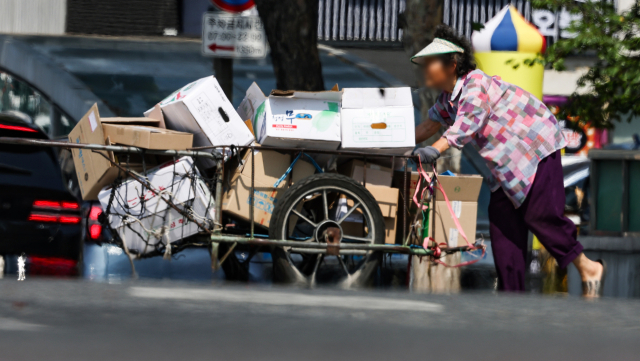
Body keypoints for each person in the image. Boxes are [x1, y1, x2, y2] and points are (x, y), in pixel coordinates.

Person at [411, 25, 605, 297]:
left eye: (430, 63)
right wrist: (390, 143)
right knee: (503, 226)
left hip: (535, 149)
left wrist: (436, 148)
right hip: (505, 167)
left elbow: (467, 124)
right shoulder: (447, 100)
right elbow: (428, 126)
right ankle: (511, 296)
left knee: (541, 215)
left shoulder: (475, 84)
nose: (425, 69)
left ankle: (588, 266)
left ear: (452, 65)